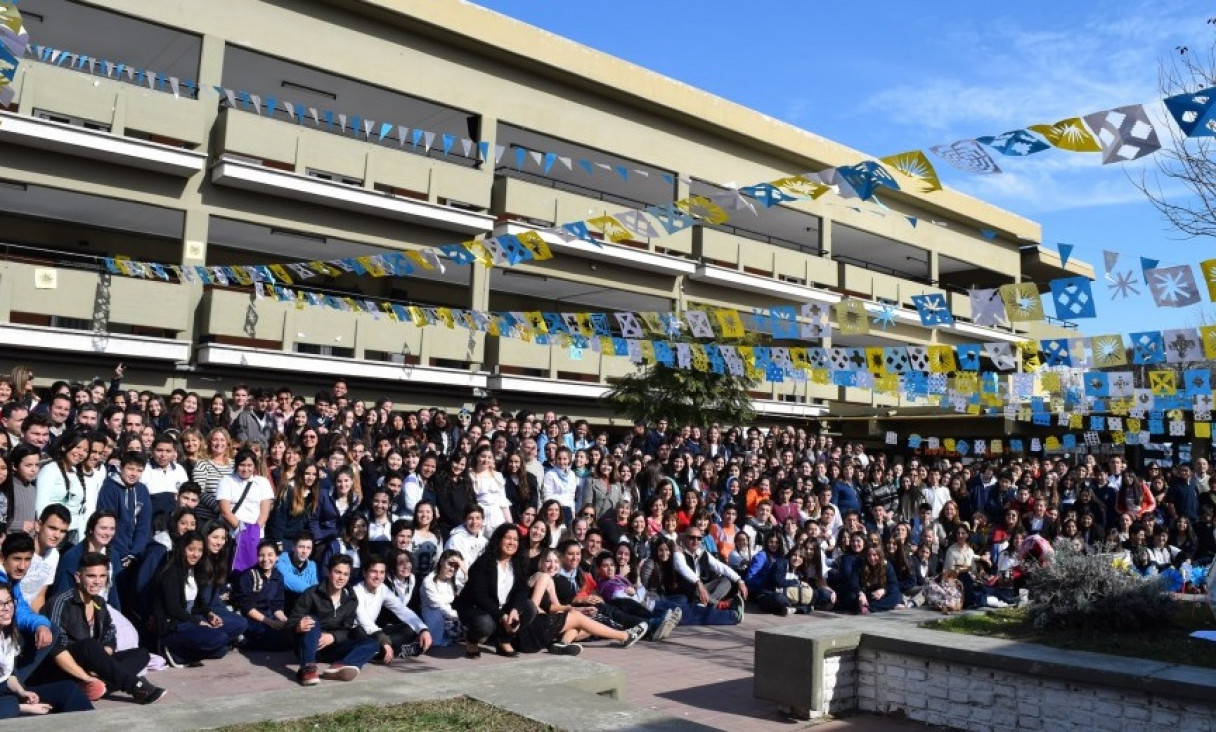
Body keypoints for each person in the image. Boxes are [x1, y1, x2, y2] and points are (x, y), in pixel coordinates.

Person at [46, 552, 165, 704]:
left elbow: (109, 639)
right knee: (89, 645)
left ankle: (93, 688)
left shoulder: (100, 604)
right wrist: (86, 675)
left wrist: (100, 663)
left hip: (90, 664)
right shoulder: (61, 602)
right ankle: (136, 686)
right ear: (78, 577)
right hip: (62, 666)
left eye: (102, 576)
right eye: (91, 576)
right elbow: (56, 648)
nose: (97, 582)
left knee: (141, 654)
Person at [517, 548, 646, 656]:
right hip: (530, 631)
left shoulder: (550, 581)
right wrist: (573, 613)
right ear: (541, 562)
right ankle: (624, 636)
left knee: (587, 624)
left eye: (556, 562)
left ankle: (562, 644)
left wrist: (578, 610)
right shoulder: (543, 576)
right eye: (548, 561)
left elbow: (555, 607)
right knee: (579, 619)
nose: (553, 565)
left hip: (539, 630)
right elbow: (532, 608)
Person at [0, 582, 93, 718]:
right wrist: (24, 707)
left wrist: (22, 692)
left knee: (68, 690)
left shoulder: (8, 635)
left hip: (7, 695)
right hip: (5, 705)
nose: (7, 608)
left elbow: (8, 676)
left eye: (9, 602)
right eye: (0, 604)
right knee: (14, 703)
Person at [287, 554, 381, 686]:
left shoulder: (351, 599)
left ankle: (341, 666)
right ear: (329, 571)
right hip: (309, 646)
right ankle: (308, 669)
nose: (341, 577)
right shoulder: (312, 593)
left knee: (372, 643)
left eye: (346, 574)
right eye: (337, 572)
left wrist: (333, 637)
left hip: (333, 647)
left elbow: (347, 629)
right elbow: (290, 623)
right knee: (311, 619)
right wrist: (298, 626)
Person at [453, 524, 536, 659]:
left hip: (503, 606)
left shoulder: (519, 562)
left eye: (515, 539)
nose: (512, 543)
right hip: (477, 608)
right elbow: (480, 596)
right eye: (508, 538)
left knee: (529, 608)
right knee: (485, 624)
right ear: (498, 540)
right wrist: (502, 617)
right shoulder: (484, 562)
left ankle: (503, 640)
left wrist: (515, 610)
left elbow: (522, 589)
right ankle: (472, 639)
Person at [152, 530, 233, 666]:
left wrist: (209, 614)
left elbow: (198, 604)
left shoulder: (195, 570)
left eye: (200, 550)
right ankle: (175, 652)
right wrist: (197, 622)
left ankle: (187, 651)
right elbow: (173, 608)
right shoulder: (172, 572)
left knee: (223, 646)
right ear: (182, 549)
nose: (196, 554)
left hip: (189, 621)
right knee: (220, 639)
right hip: (174, 625)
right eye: (191, 549)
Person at [353, 556, 431, 662]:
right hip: (358, 634)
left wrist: (423, 629)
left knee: (411, 628)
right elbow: (364, 621)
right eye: (374, 572)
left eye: (382, 572)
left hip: (374, 633)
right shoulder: (356, 591)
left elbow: (402, 610)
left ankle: (387, 651)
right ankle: (396, 651)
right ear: (364, 573)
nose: (378, 576)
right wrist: (383, 640)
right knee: (368, 642)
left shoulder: (383, 589)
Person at [218, 448, 275, 574]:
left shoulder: (262, 482)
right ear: (236, 465)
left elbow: (265, 510)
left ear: (254, 466)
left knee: (254, 571)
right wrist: (242, 529)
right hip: (234, 533)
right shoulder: (226, 481)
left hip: (256, 534)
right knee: (232, 570)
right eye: (242, 465)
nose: (245, 469)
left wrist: (253, 530)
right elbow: (225, 510)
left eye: (249, 465)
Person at [96, 450, 153, 574]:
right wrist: (123, 554)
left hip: (136, 551)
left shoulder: (142, 490)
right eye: (130, 469)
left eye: (139, 470)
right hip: (114, 549)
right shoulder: (109, 489)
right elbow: (109, 524)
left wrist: (135, 553)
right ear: (121, 467)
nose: (134, 474)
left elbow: (144, 524)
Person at [233, 540, 293, 651]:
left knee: (291, 636)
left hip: (270, 618)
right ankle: (243, 640)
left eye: (270, 555)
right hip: (252, 619)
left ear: (276, 557)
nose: (265, 559)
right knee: (275, 640)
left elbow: (277, 606)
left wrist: (286, 621)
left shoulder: (278, 576)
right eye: (261, 555)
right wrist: (269, 622)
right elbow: (246, 607)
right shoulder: (248, 575)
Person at [34, 430, 92, 543]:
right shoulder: (50, 470)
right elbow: (41, 504)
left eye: (86, 450)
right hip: (54, 532)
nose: (81, 453)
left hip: (73, 532)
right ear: (64, 447)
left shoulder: (76, 473)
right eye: (78, 447)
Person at [672, 528, 747, 613]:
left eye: (699, 538)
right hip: (686, 590)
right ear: (684, 538)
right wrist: (698, 582)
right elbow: (682, 568)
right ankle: (718, 604)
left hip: (702, 589)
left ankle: (707, 604)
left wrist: (739, 580)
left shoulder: (702, 553)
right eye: (692, 537)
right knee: (696, 588)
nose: (695, 540)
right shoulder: (678, 553)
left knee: (727, 580)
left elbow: (720, 566)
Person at [421, 549, 465, 647]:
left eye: (456, 566)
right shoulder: (429, 582)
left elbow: (469, 593)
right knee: (436, 613)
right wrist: (461, 617)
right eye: (450, 564)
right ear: (441, 561)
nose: (452, 569)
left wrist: (465, 572)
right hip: (434, 616)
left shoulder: (452, 580)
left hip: (450, 618)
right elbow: (439, 606)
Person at [276, 533, 320, 609]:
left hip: (303, 609)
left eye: (308, 548)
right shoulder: (281, 560)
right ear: (293, 547)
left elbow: (314, 587)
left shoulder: (312, 565)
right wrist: (313, 593)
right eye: (301, 547)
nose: (304, 551)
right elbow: (287, 580)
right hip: (282, 607)